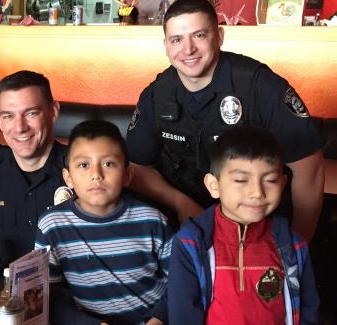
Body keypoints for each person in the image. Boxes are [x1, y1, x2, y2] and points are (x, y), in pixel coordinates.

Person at [126, 0, 324, 241]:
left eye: (199, 35)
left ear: (219, 36)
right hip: (186, 219)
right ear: (166, 46)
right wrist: (180, 203)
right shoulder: (156, 95)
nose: (188, 49)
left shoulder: (260, 87)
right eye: (177, 39)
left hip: (258, 217)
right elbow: (136, 167)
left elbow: (309, 170)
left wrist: (298, 249)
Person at [167, 126, 319, 324]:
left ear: (282, 184)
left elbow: (309, 309)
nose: (257, 192)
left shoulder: (293, 246)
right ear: (214, 186)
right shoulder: (191, 243)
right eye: (241, 180)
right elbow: (183, 314)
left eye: (270, 180)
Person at [35, 120, 171, 325]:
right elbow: (47, 298)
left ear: (127, 175)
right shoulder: (52, 226)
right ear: (68, 177)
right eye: (83, 165)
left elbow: (183, 282)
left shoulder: (152, 220)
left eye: (108, 164)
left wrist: (158, 320)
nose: (96, 175)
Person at [0, 70, 65, 271]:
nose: (19, 128)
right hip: (2, 297)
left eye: (31, 113)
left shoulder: (84, 173)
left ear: (53, 112)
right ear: (0, 120)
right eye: (9, 116)